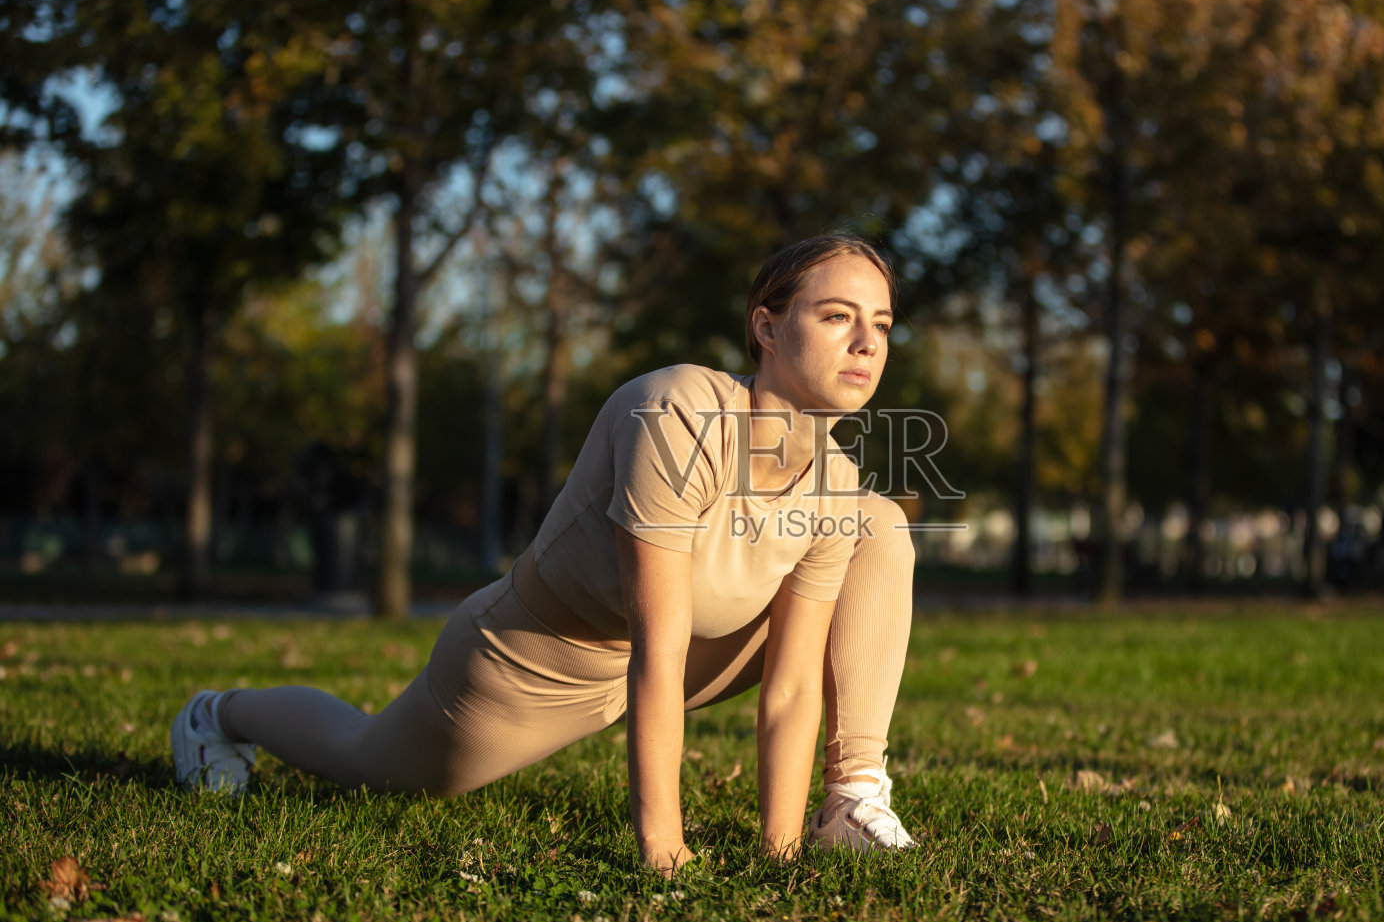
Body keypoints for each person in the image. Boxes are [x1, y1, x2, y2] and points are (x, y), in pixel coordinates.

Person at [170, 234, 918, 874]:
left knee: (877, 526)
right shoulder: (679, 413)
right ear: (767, 326)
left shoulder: (834, 481)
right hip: (534, 659)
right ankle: (219, 714)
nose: (866, 343)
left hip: (685, 659)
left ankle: (848, 804)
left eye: (881, 324)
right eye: (836, 316)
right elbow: (655, 649)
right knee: (371, 762)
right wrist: (664, 848)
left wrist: (778, 857)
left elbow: (790, 688)